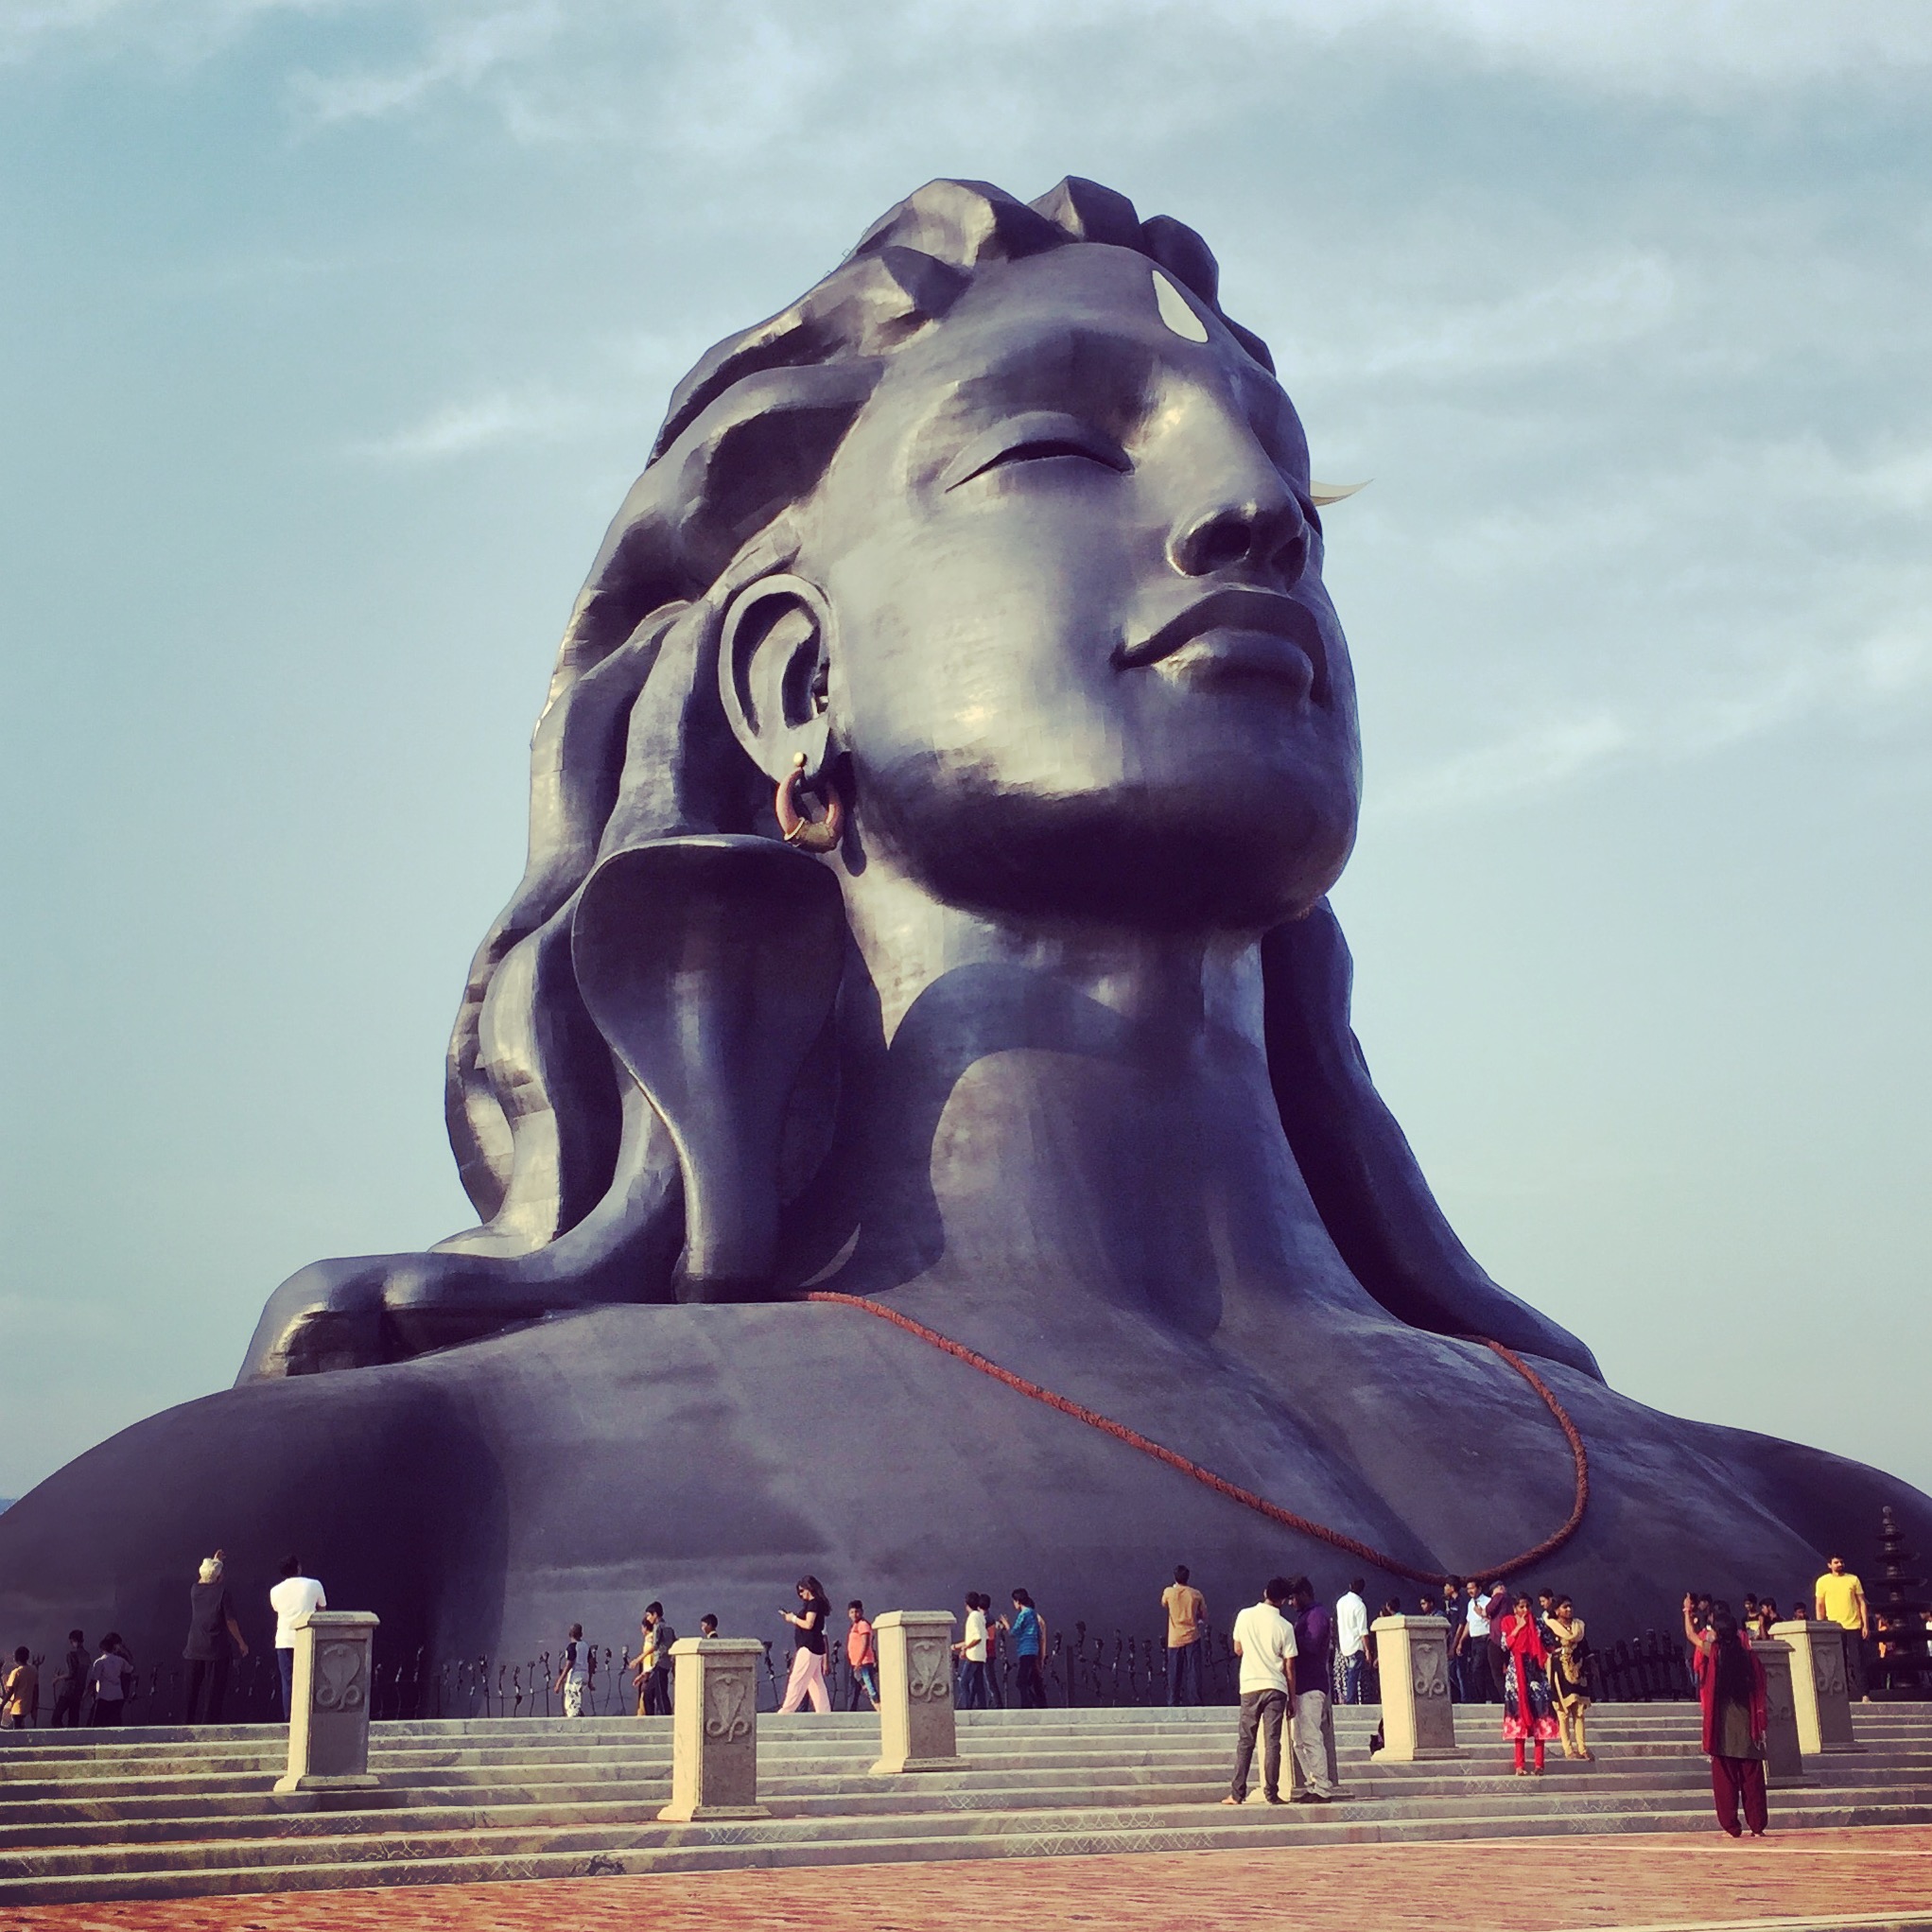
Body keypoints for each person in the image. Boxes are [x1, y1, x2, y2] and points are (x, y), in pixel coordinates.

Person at [1684, 1595, 1768, 1836]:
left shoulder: (1714, 1652)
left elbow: (1691, 1635)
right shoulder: (1749, 1656)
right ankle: (1757, 1826)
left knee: (1725, 1780)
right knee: (1752, 1779)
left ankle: (1732, 1826)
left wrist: (1687, 1612)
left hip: (1722, 1726)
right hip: (1748, 1725)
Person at [1224, 1576, 1296, 1807]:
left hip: (1251, 1684)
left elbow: (1238, 1649)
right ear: (1283, 1600)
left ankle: (1237, 1794)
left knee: (1246, 1741)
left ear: (1265, 1592)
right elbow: (1290, 1665)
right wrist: (1292, 1699)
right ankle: (1271, 1794)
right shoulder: (1285, 1626)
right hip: (1276, 1687)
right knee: (1273, 1742)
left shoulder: (1244, 1615)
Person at [1496, 1591, 1560, 1775]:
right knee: (1519, 1720)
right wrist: (1519, 1628)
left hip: (1536, 1675)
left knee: (1539, 1716)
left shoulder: (1538, 1624)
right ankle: (1519, 1765)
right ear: (1515, 1608)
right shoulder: (1508, 1622)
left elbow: (1549, 1646)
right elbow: (1505, 1645)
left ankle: (1539, 1765)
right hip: (1516, 1676)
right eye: (1521, 1607)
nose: (1525, 1610)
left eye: (1528, 1606)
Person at [1288, 1577, 1339, 1802]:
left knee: (1311, 1737)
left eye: (1293, 1597)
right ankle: (1313, 1784)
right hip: (1301, 1686)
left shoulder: (1317, 1615)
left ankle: (1323, 1787)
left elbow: (1312, 1643)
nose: (1291, 1603)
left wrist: (1289, 1637)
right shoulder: (1305, 1616)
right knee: (1298, 1741)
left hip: (1312, 1685)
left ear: (1304, 1594)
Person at [183, 1553, 248, 1724]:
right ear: (219, 1577)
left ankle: (186, 1726)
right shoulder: (223, 1593)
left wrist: (215, 1562)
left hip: (194, 1647)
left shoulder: (195, 1590)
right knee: (213, 1694)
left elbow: (204, 1578)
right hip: (216, 1650)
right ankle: (208, 1727)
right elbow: (230, 1621)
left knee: (191, 1692)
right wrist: (241, 1642)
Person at [268, 1556, 326, 1720]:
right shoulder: (314, 1584)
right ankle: (309, 1717)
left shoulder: (275, 1591)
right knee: (309, 1680)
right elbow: (322, 1610)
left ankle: (290, 1719)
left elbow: (277, 1609)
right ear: (299, 1567)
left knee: (288, 1682)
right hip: (307, 1638)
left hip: (284, 1639)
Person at [1815, 1556, 1871, 1702]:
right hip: (1834, 1627)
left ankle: (1864, 1694)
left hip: (1853, 1625)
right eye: (1836, 1562)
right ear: (1829, 1565)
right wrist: (1821, 1626)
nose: (1839, 1564)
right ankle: (1843, 1694)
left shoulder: (1853, 1579)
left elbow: (1862, 1602)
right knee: (1837, 1662)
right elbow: (1820, 1605)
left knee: (1857, 1661)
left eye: (1841, 1562)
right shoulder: (1822, 1581)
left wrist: (1865, 1625)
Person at [1545, 1593, 1593, 1761]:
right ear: (1556, 1610)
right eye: (1564, 1607)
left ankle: (1583, 1748)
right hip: (1559, 1672)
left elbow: (1586, 1650)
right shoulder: (1550, 1627)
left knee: (1579, 1711)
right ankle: (1568, 1750)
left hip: (1578, 1670)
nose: (1569, 1609)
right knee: (1563, 1712)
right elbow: (1545, 1649)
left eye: (1570, 1606)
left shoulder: (1578, 1627)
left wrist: (1589, 1666)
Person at [779, 1575, 832, 1713]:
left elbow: (809, 1624)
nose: (801, 1595)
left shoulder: (813, 1604)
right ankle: (824, 1712)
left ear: (809, 1588)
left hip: (808, 1647)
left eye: (802, 1591)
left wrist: (793, 1618)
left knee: (797, 1680)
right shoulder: (817, 1604)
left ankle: (786, 1711)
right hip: (815, 1648)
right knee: (815, 1683)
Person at [1162, 1565, 1208, 1707]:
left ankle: (1173, 1701)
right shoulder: (1196, 1594)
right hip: (1192, 1636)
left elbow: (1164, 1604)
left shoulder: (1168, 1592)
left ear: (1175, 1577)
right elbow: (1204, 1614)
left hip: (1174, 1638)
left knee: (1174, 1672)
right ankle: (1195, 1701)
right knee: (1193, 1671)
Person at [1005, 1590, 1048, 1709]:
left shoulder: (1023, 1614)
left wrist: (1006, 1625)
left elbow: (1013, 1632)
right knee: (1033, 1680)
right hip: (1034, 1650)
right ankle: (1040, 1704)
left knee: (1021, 1681)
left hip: (1025, 1650)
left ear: (1018, 1601)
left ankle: (1027, 1706)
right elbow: (1039, 1634)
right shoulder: (1034, 1614)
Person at [953, 1592, 991, 1711]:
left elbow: (977, 1637)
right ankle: (982, 1707)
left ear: (967, 1604)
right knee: (978, 1684)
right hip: (981, 1655)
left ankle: (967, 1707)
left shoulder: (973, 1617)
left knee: (964, 1682)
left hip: (973, 1656)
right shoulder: (980, 1616)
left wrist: (966, 1648)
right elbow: (984, 1636)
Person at [633, 1604, 673, 1715]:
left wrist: (638, 1659)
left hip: (659, 1664)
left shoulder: (658, 1627)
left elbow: (655, 1646)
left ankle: (665, 1718)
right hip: (664, 1665)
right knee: (648, 1694)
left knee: (660, 1694)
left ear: (655, 1614)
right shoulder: (668, 1628)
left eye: (648, 1615)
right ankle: (652, 1718)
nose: (647, 1618)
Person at [1335, 1577, 1369, 1706]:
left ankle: (1345, 1698)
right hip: (1356, 1645)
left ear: (1350, 1585)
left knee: (1347, 1674)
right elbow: (1363, 1631)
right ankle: (1350, 1700)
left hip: (1344, 1644)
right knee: (1354, 1674)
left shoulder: (1340, 1602)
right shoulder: (1360, 1606)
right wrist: (1368, 1650)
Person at [1459, 1578, 1493, 1703]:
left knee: (1477, 1668)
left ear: (1479, 1588)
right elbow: (1469, 1623)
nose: (1470, 1591)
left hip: (1485, 1638)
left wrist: (1481, 1613)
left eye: (1472, 1588)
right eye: (1468, 1589)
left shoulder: (1488, 1601)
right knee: (1483, 1670)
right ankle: (1493, 1698)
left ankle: (1480, 1699)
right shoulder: (1470, 1603)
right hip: (1474, 1640)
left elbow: (1494, 1620)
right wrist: (1461, 1641)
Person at [87, 1634, 134, 1725]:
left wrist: (87, 1695)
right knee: (114, 1721)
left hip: (104, 1696)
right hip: (118, 1695)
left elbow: (94, 1679)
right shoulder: (120, 1659)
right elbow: (131, 1669)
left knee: (97, 1722)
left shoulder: (102, 1661)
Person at [49, 1630, 89, 1728]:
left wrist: (57, 1678)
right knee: (73, 1720)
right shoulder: (86, 1655)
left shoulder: (71, 1655)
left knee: (56, 1718)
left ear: (72, 1641)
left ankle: (62, 1735)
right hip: (79, 1691)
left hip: (68, 1691)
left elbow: (71, 1673)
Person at [845, 1601, 879, 1711]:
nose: (854, 1614)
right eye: (852, 1612)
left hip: (864, 1663)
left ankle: (880, 1709)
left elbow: (865, 1643)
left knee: (870, 1688)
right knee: (855, 1690)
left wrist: (859, 1661)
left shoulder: (863, 1624)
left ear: (862, 1612)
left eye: (857, 1612)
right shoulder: (854, 1626)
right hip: (855, 1663)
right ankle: (851, 1712)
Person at [553, 1623, 592, 1717]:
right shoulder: (586, 1646)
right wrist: (590, 1679)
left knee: (571, 1703)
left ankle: (574, 1720)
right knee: (576, 1701)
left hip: (575, 1677)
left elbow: (569, 1665)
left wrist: (559, 1682)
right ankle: (579, 1715)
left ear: (570, 1634)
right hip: (584, 1674)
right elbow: (591, 1662)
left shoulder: (572, 1647)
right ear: (581, 1634)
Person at [1, 1646, 36, 1729]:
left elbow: (10, 1692)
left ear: (16, 1657)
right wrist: (35, 1706)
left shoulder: (16, 1672)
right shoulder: (33, 1670)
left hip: (18, 1707)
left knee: (17, 1730)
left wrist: (2, 1705)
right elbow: (36, 1689)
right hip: (28, 1705)